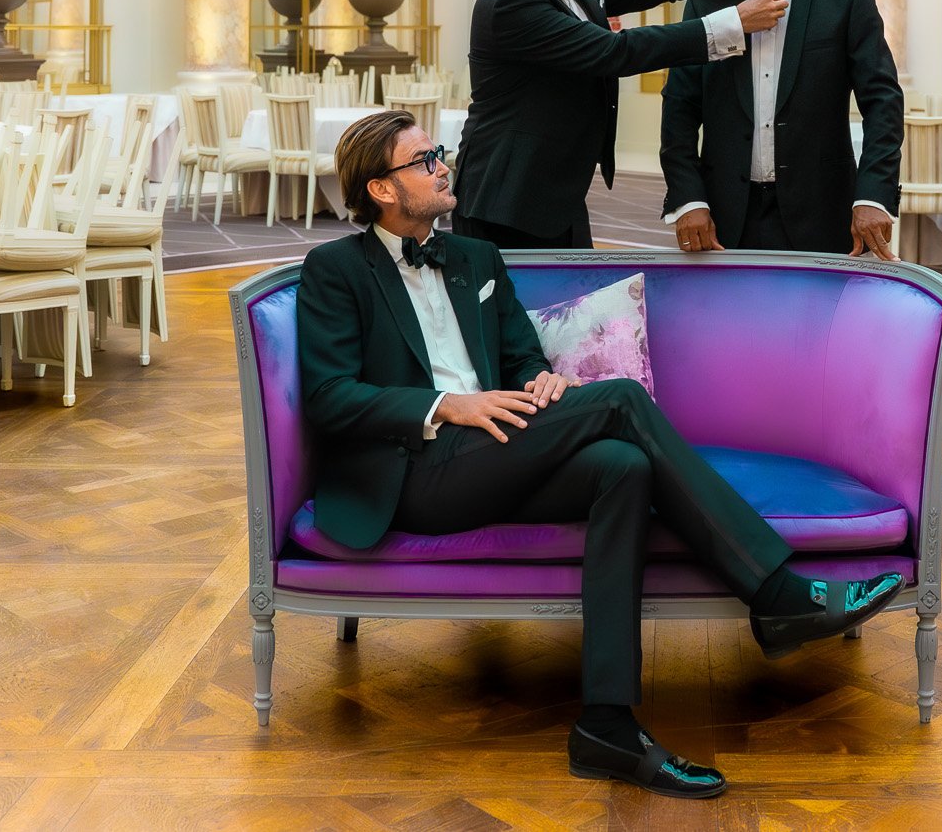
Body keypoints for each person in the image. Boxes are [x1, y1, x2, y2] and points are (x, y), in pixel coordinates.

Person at [297, 111, 905, 798]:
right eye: (424, 159)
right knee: (617, 401)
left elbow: (520, 349)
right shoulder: (335, 270)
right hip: (415, 472)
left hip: (495, 452)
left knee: (625, 467)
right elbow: (329, 396)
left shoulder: (474, 257)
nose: (443, 165)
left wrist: (539, 376)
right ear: (381, 188)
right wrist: (445, 406)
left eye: (438, 152)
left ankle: (607, 728)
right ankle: (775, 593)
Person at [452, 0, 789, 248]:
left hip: (556, 192)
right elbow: (614, 52)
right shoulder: (511, 1)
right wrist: (733, 23)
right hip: (504, 197)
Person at [660, 0, 904, 256]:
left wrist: (873, 195)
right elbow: (679, 108)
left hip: (824, 211)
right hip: (722, 215)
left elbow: (884, 104)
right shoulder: (705, 2)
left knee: (818, 319)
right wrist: (688, 200)